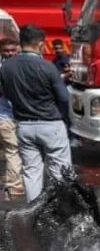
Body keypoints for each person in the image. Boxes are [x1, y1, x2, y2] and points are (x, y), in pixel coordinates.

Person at [0, 25, 72, 202]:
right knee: (60, 169)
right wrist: (63, 116)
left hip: (24, 125)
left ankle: (34, 213)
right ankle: (60, 209)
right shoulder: (48, 67)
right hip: (51, 123)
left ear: (21, 43)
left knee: (31, 172)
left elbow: (5, 94)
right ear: (40, 45)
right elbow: (64, 98)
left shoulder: (6, 67)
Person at [0, 37, 22, 198]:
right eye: (6, 51)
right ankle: (14, 185)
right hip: (5, 116)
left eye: (13, 50)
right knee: (12, 150)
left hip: (16, 116)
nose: (10, 53)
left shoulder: (23, 65)